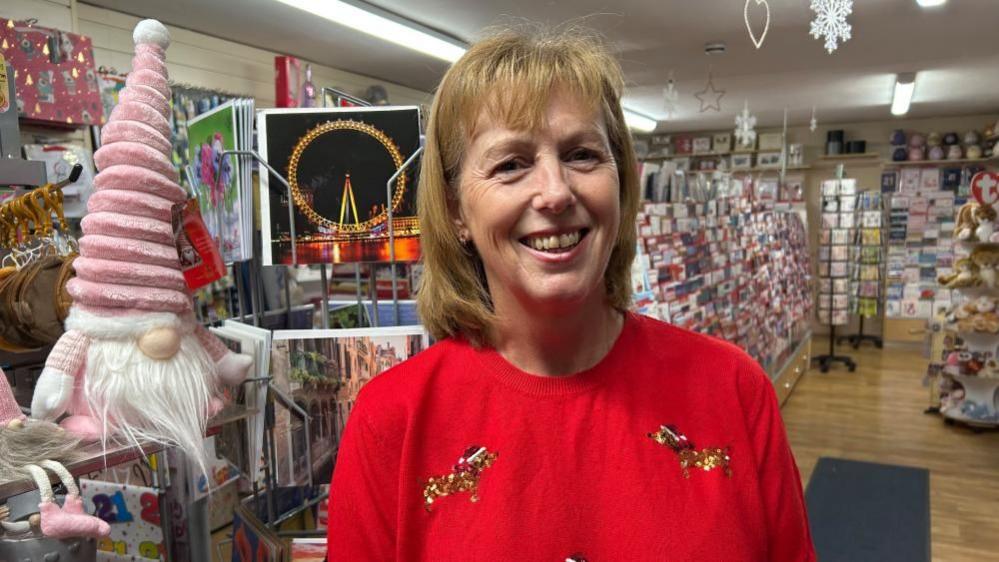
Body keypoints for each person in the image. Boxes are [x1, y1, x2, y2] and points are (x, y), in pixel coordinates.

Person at [327, 25, 816, 561]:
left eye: (582, 154)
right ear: (453, 211)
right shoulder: (391, 421)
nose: (556, 192)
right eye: (511, 164)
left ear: (623, 183)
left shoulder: (733, 390)